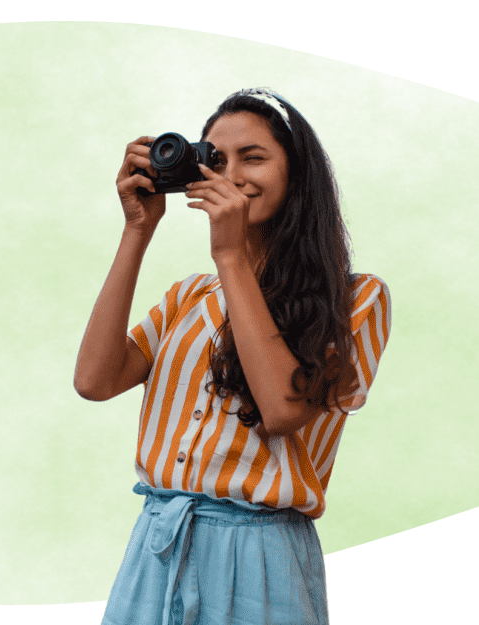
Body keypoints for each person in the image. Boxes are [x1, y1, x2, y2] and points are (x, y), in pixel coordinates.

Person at [74, 88, 391, 625]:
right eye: (218, 160)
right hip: (158, 542)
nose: (234, 174)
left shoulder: (357, 298)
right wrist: (137, 229)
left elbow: (284, 411)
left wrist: (230, 252)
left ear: (297, 176)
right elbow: (94, 380)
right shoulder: (187, 297)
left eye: (255, 157)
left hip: (262, 555)